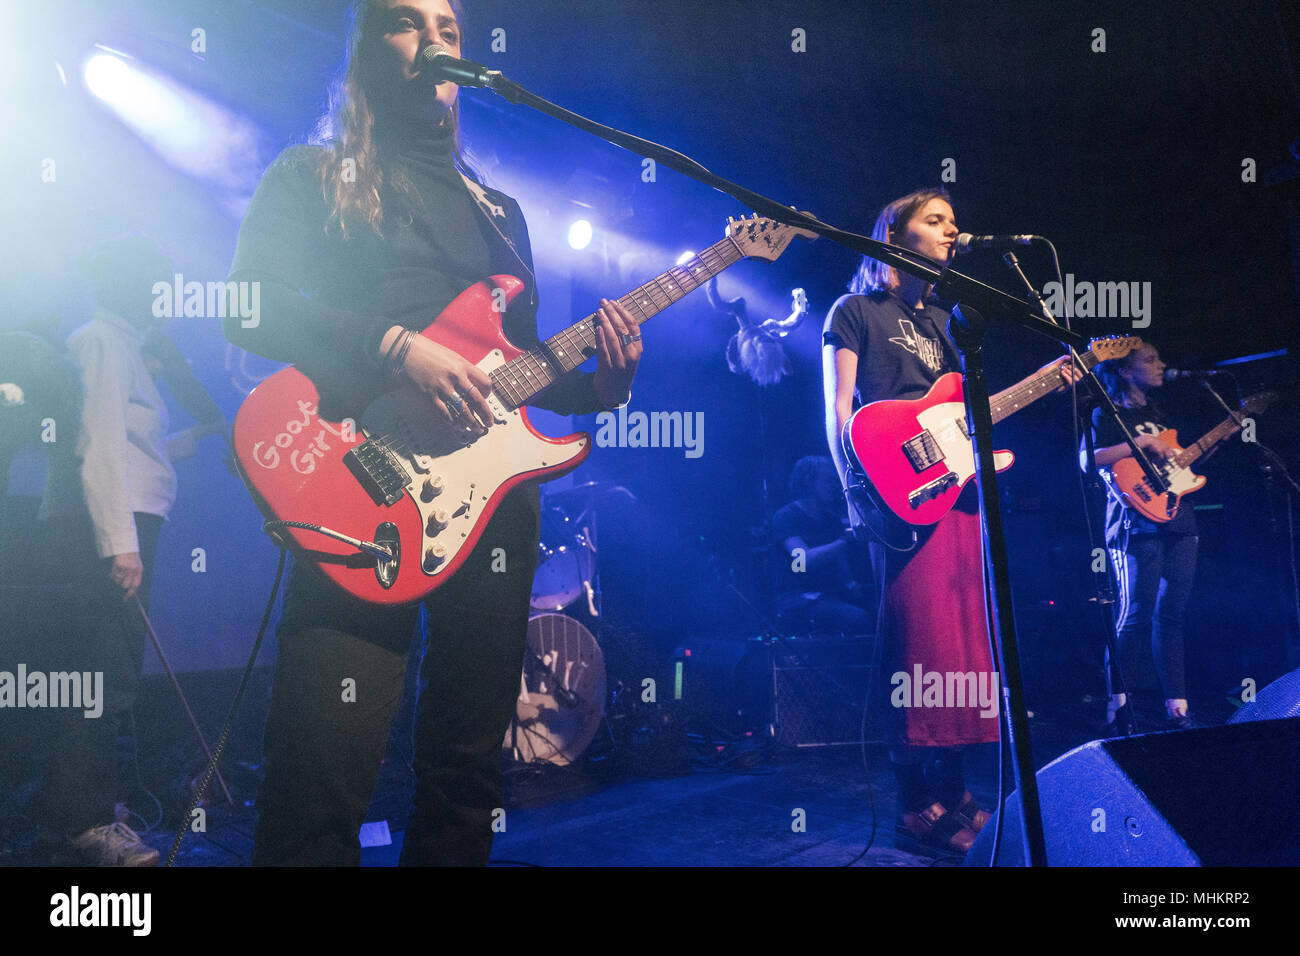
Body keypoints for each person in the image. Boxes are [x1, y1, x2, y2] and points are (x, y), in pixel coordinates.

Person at [223, 0, 642, 865]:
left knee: (466, 764)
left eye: (450, 26)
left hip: (492, 507)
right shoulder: (312, 175)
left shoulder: (501, 212)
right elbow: (248, 304)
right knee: (322, 759)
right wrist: (393, 348)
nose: (438, 39)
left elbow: (520, 368)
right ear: (369, 49)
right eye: (409, 22)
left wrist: (605, 383)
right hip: (358, 474)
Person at [822, 187, 1079, 855]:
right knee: (917, 649)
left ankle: (958, 790)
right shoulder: (855, 312)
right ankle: (913, 803)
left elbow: (961, 419)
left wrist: (1051, 379)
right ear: (894, 235)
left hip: (955, 496)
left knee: (966, 645)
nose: (950, 232)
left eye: (954, 222)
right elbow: (837, 409)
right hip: (896, 496)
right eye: (935, 221)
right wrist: (853, 493)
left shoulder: (948, 322)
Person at [1082, 342, 1200, 731]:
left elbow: (1176, 470)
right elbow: (1088, 459)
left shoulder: (1160, 413)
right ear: (1126, 371)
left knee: (1172, 614)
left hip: (1179, 521)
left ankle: (1177, 706)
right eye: (1151, 359)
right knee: (1134, 615)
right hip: (1135, 525)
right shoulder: (1107, 413)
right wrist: (1146, 443)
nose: (1162, 364)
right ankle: (1118, 704)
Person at [770, 455, 872, 634]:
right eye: (828, 480)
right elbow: (801, 562)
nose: (834, 486)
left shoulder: (830, 520)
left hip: (830, 594)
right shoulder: (786, 517)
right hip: (798, 598)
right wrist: (842, 542)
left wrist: (854, 587)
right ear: (808, 482)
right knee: (858, 619)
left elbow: (842, 570)